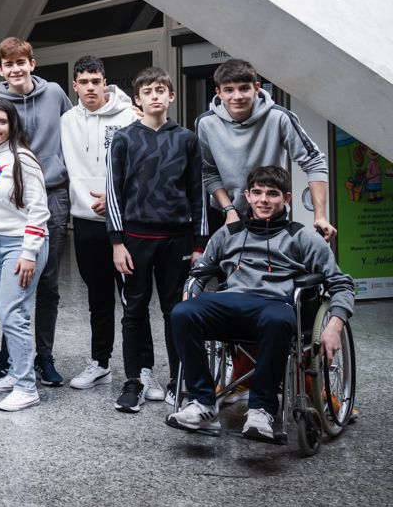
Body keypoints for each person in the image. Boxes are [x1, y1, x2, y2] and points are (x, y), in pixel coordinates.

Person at [167, 165, 354, 441]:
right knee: (182, 313)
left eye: (272, 194)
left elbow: (341, 283)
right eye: (257, 193)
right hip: (230, 301)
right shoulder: (228, 233)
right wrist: (190, 292)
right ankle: (203, 404)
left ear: (286, 199)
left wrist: (334, 325)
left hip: (273, 305)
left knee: (278, 320)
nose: (263, 199)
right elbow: (199, 273)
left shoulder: (302, 236)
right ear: (247, 196)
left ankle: (261, 410)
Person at [106, 67, 207, 413]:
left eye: (161, 90)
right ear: (138, 99)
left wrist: (199, 245)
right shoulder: (123, 139)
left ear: (171, 96)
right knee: (133, 310)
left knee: (175, 311)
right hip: (134, 240)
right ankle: (135, 379)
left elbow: (199, 193)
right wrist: (117, 242)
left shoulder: (187, 139)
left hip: (177, 240)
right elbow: (113, 193)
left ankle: (179, 380)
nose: (155, 96)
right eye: (147, 91)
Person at [0, 37, 72, 388]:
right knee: (13, 285)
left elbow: (76, 130)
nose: (16, 69)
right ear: (1, 70)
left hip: (52, 195)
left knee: (47, 282)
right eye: (9, 64)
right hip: (12, 201)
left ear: (32, 64)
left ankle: (44, 357)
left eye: (21, 62)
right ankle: (10, 355)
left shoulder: (54, 93)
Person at [59, 55, 138, 391]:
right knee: (98, 297)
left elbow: (143, 166)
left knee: (133, 298)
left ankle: (139, 371)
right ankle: (100, 362)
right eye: (83, 82)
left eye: (96, 81)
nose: (90, 87)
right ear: (74, 86)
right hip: (85, 220)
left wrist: (117, 196)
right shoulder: (67, 120)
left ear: (105, 82)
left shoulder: (130, 116)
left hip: (125, 219)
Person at [0, 100, 50, 412]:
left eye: (1, 121)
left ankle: (26, 387)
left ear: (12, 125)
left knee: (13, 314)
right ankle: (17, 370)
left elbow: (39, 209)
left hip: (20, 244)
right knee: (7, 313)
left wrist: (29, 253)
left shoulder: (23, 158)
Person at [196, 58, 334, 240]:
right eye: (229, 90)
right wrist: (229, 210)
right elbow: (209, 171)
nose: (237, 96)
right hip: (225, 214)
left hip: (270, 213)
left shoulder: (279, 117)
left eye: (244, 88)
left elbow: (314, 161)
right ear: (219, 92)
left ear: (257, 87)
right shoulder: (205, 123)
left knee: (272, 267)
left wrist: (320, 216)